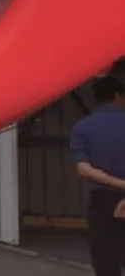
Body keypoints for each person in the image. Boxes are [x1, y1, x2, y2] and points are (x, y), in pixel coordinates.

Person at [69, 74, 125, 275]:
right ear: (118, 96)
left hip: (103, 203)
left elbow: (84, 169)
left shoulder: (82, 127)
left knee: (106, 264)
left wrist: (119, 184)